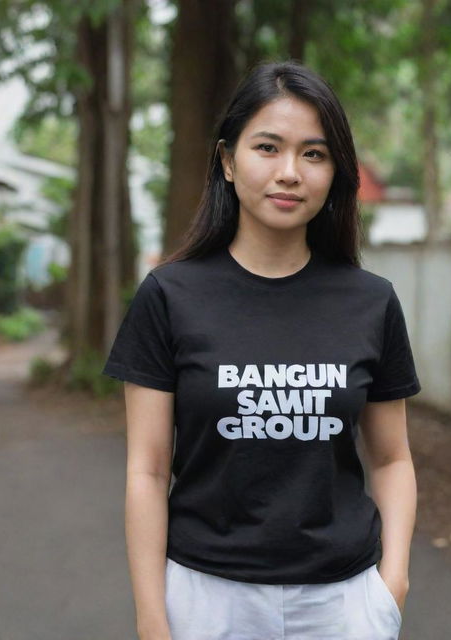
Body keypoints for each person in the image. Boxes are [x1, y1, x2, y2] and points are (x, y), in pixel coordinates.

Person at [102, 59, 421, 640]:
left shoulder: (370, 301)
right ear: (227, 160)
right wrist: (153, 616)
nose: (289, 172)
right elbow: (146, 470)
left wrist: (391, 582)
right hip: (205, 598)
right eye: (267, 148)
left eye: (314, 154)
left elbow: (392, 458)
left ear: (334, 173)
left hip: (343, 604)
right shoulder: (170, 296)